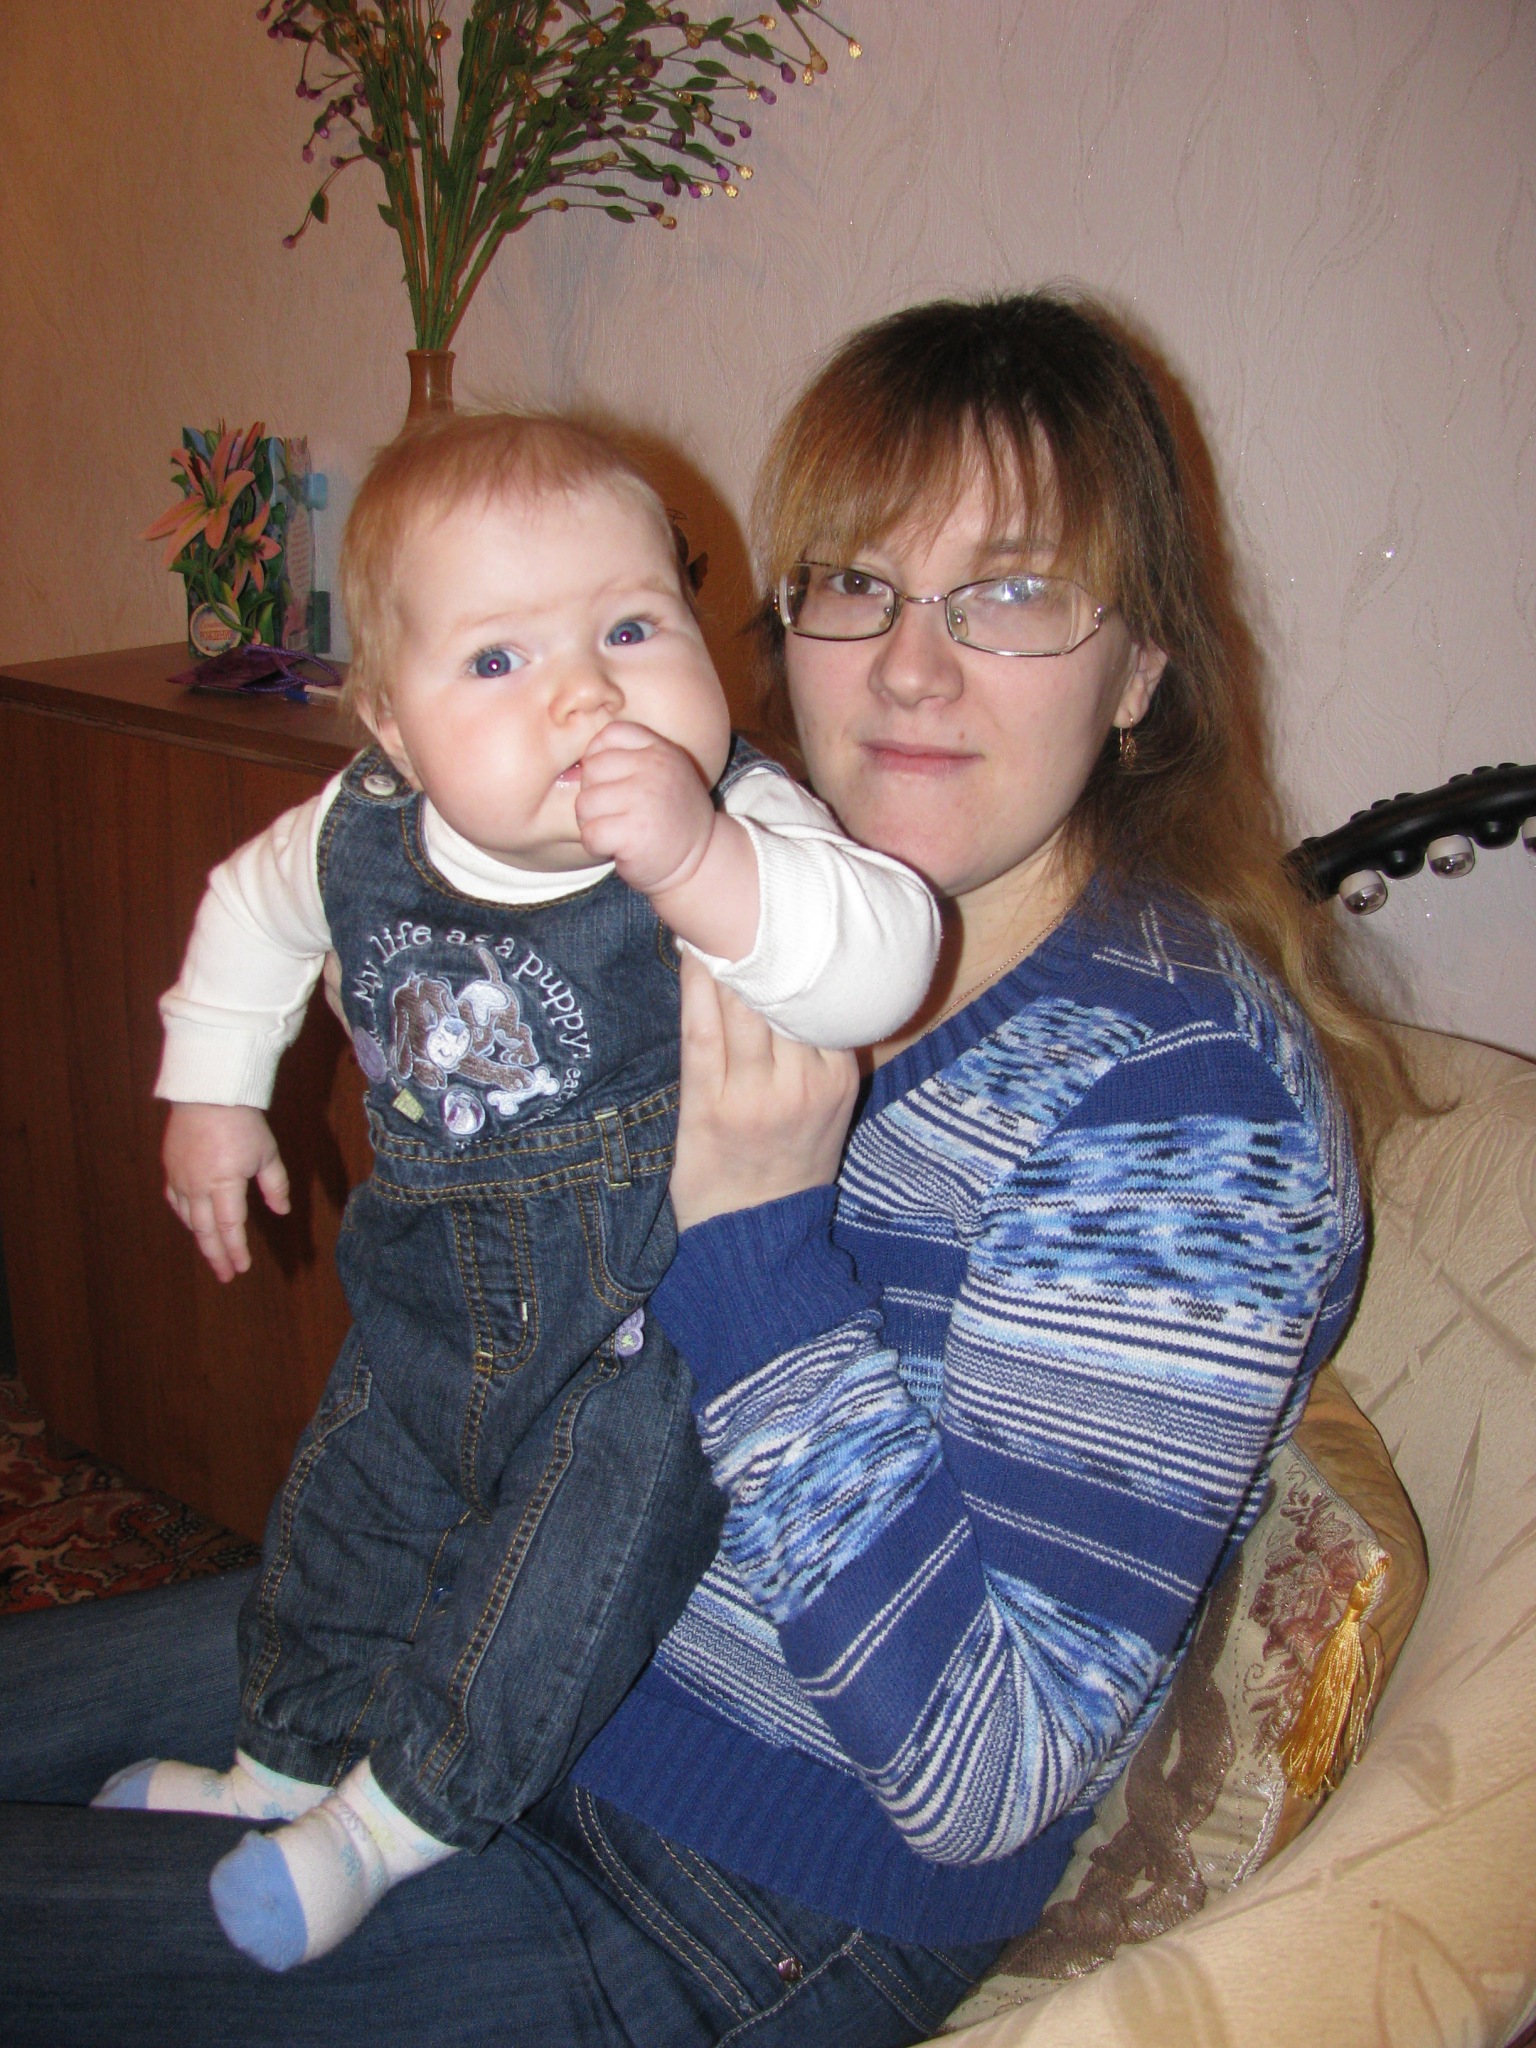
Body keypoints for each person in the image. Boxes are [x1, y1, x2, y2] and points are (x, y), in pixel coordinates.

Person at [0, 291, 1408, 2047]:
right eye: (857, 583)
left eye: (1014, 593)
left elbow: (988, 1774)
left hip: (724, 1881)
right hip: (469, 1628)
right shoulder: (706, 864)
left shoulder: (1187, 1111)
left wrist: (753, 1241)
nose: (911, 666)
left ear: (1142, 669)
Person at [95, 410, 939, 1972]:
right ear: (393, 729)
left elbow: (883, 959)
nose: (587, 693)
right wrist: (210, 1093)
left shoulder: (740, 815)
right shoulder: (360, 828)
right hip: (424, 1293)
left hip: (639, 1337)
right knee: (342, 1518)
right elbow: (252, 913)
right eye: (497, 659)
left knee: (562, 1577)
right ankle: (277, 1765)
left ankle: (394, 1820)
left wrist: (703, 867)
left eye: (631, 627)